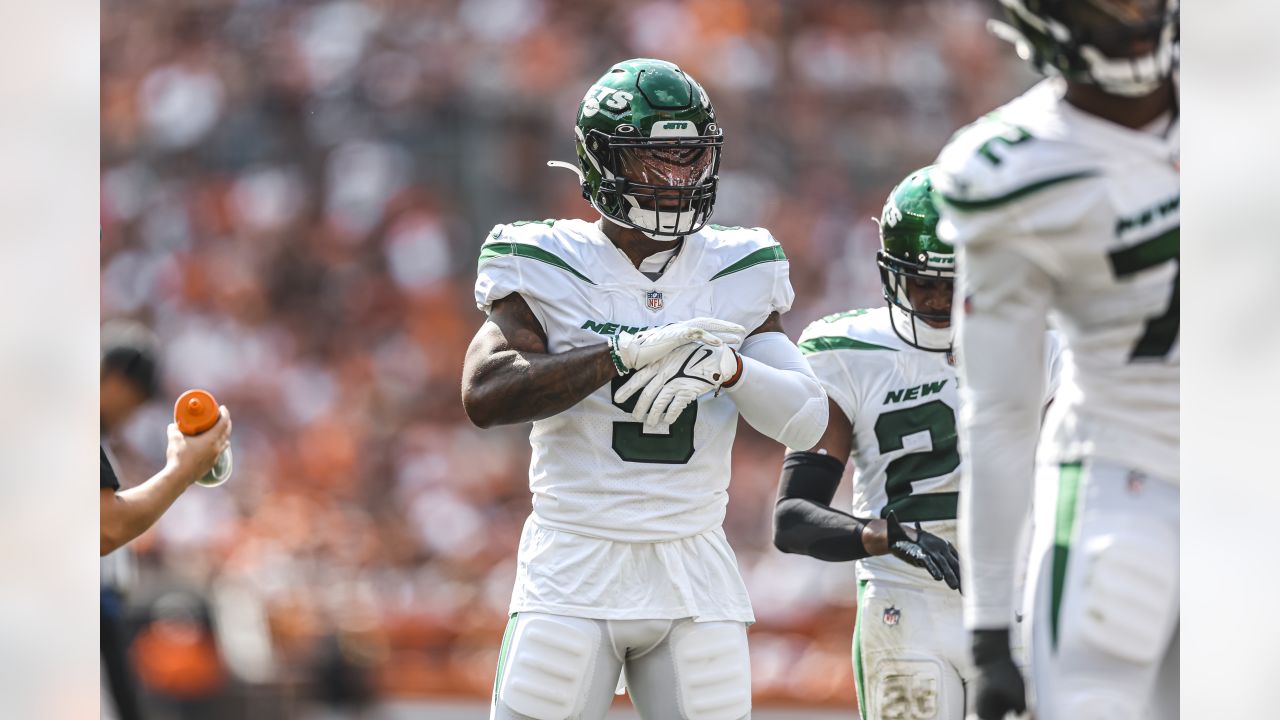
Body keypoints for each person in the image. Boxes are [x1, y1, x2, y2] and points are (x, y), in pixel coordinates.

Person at [461, 58, 828, 720]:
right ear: (602, 162)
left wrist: (732, 369)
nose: (678, 177)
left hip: (693, 566)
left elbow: (806, 421)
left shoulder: (738, 267)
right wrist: (617, 354)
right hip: (574, 562)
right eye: (656, 158)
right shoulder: (547, 261)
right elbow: (485, 395)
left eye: (691, 157)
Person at [930, 1, 1180, 718]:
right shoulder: (1015, 169)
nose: (1131, 15)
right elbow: (1002, 416)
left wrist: (988, 631)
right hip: (1125, 490)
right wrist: (987, 631)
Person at [773, 167, 1061, 720]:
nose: (935, 300)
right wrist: (888, 536)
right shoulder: (847, 351)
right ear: (887, 272)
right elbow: (793, 518)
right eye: (920, 281)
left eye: (954, 282)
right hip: (904, 603)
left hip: (1016, 597)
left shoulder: (1042, 344)